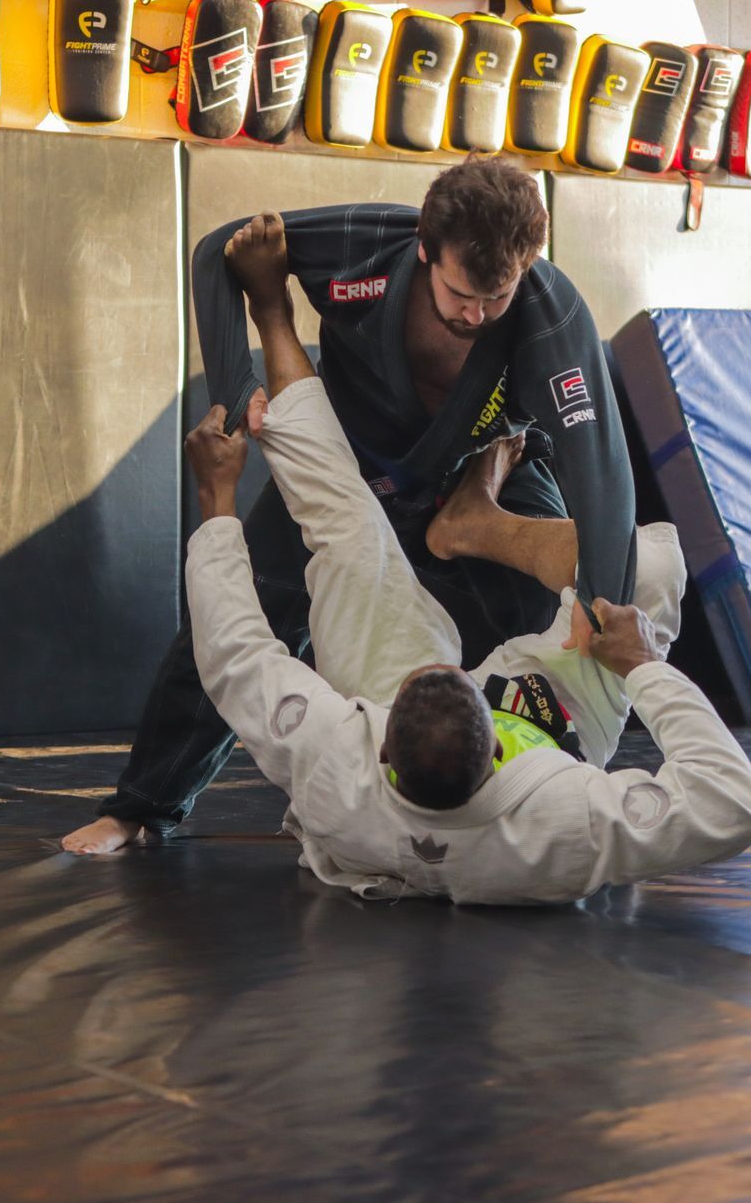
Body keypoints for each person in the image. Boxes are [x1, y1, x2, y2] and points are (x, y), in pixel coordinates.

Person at [80, 214, 751, 904]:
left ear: (379, 743)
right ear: (494, 740)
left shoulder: (337, 759)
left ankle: (274, 314)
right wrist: (643, 667)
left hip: (400, 720)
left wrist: (217, 498)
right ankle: (476, 522)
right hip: (559, 718)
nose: (473, 314)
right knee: (651, 561)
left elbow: (231, 647)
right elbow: (734, 806)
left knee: (344, 528)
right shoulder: (571, 819)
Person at [64, 157, 640, 854]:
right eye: (461, 294)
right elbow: (219, 249)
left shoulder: (551, 312)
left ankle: (530, 777)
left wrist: (599, 599)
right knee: (242, 609)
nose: (476, 315)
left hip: (481, 459)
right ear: (425, 248)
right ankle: (141, 807)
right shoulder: (361, 247)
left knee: (570, 607)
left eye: (497, 297)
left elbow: (601, 464)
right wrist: (235, 385)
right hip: (352, 459)